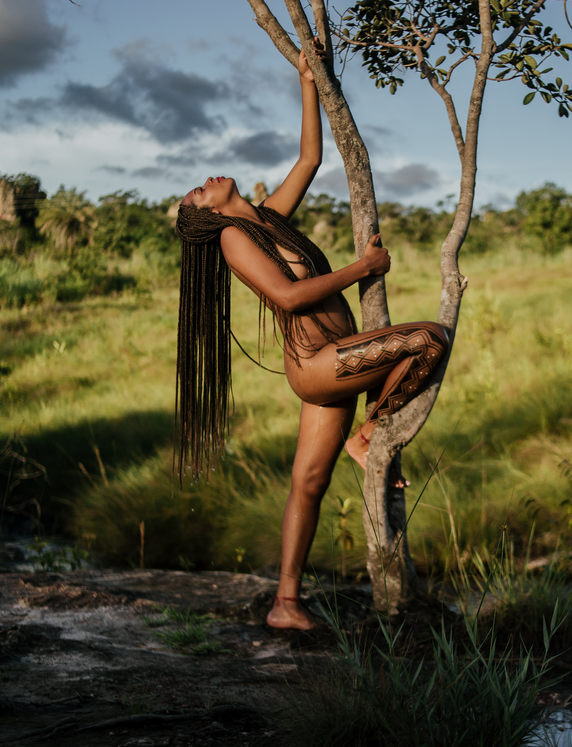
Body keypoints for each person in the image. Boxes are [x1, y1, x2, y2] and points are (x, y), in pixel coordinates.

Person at [174, 45, 449, 630]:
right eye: (196, 193)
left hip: (334, 364)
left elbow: (311, 157)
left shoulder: (267, 219)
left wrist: (306, 80)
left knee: (308, 483)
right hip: (320, 362)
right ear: (206, 217)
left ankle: (285, 603)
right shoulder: (232, 240)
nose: (204, 182)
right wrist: (363, 269)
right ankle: (370, 432)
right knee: (428, 339)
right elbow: (290, 297)